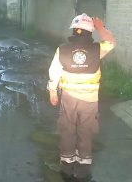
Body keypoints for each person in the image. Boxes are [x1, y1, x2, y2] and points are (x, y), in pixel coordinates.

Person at [47, 13, 115, 182]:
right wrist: (101, 27)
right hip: (89, 101)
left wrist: (52, 91)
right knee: (85, 134)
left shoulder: (62, 49)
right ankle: (82, 173)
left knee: (67, 132)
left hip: (68, 99)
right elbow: (112, 42)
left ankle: (66, 170)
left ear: (73, 29)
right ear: (90, 32)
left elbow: (54, 71)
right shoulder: (97, 49)